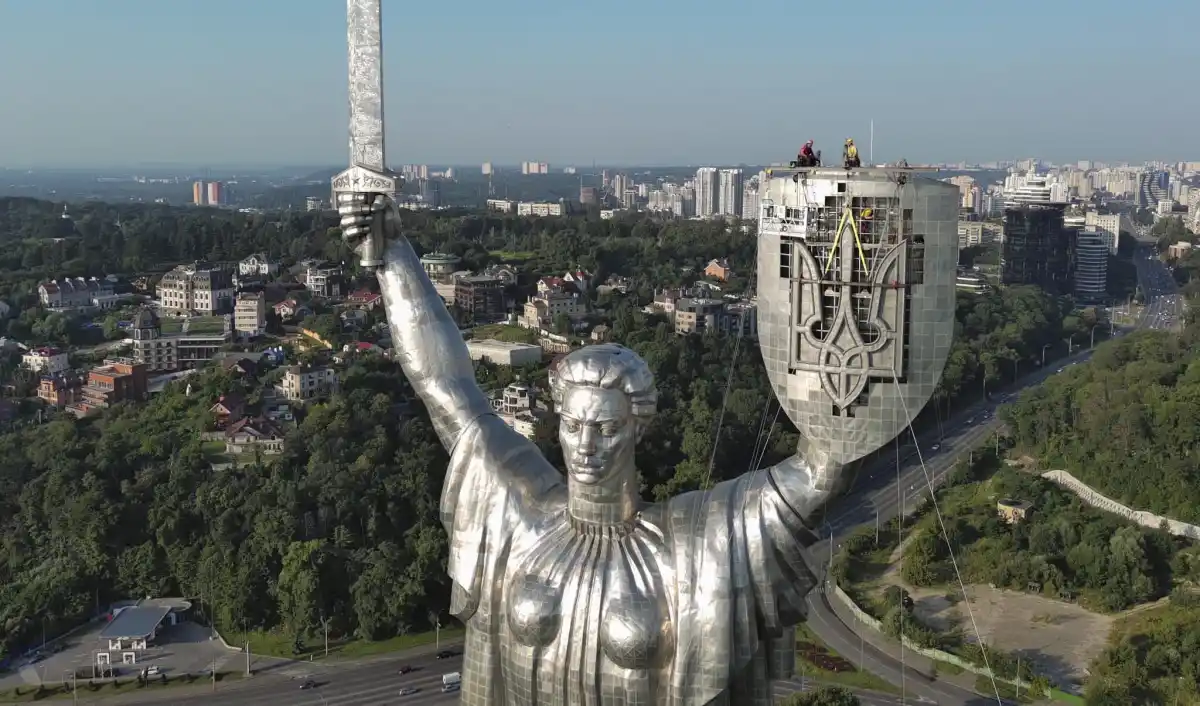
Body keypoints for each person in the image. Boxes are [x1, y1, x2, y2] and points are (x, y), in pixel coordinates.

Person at [338, 192, 836, 706]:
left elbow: (820, 473)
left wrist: (835, 312)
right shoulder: (517, 515)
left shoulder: (693, 546)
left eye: (605, 428)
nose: (585, 446)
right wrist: (393, 254)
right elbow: (443, 383)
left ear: (638, 429)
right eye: (573, 426)